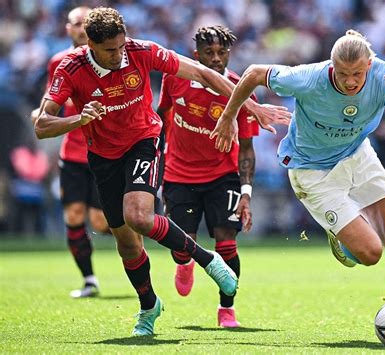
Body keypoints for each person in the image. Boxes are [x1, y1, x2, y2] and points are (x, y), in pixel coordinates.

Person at [34, 7, 289, 336]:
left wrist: (250, 105)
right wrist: (78, 119)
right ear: (91, 46)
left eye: (121, 46)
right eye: (110, 50)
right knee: (127, 243)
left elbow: (203, 73)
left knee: (138, 216)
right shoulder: (71, 67)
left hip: (143, 141)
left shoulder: (143, 51)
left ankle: (207, 260)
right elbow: (42, 125)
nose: (119, 55)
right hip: (103, 157)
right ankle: (149, 306)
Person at [211, 29, 385, 341]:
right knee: (370, 253)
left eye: (357, 73)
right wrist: (228, 116)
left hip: (358, 156)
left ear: (370, 64)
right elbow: (253, 73)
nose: (349, 81)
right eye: (343, 73)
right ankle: (342, 240)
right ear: (331, 66)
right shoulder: (310, 78)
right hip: (312, 172)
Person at [157, 26, 259, 328]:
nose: (216, 59)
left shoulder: (239, 88)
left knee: (227, 243)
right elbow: (162, 116)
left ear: (229, 53)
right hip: (179, 173)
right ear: (196, 54)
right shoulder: (175, 79)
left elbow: (248, 149)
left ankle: (226, 309)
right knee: (181, 245)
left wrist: (246, 192)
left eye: (222, 52)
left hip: (222, 176)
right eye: (209, 53)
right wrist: (159, 161)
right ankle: (185, 262)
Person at [31, 6, 109, 299]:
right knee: (74, 215)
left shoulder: (106, 58)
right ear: (68, 29)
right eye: (75, 24)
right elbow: (52, 101)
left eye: (84, 24)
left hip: (101, 150)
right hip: (72, 153)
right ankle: (89, 280)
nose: (80, 29)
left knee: (101, 222)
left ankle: (133, 237)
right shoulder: (58, 62)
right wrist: (40, 113)